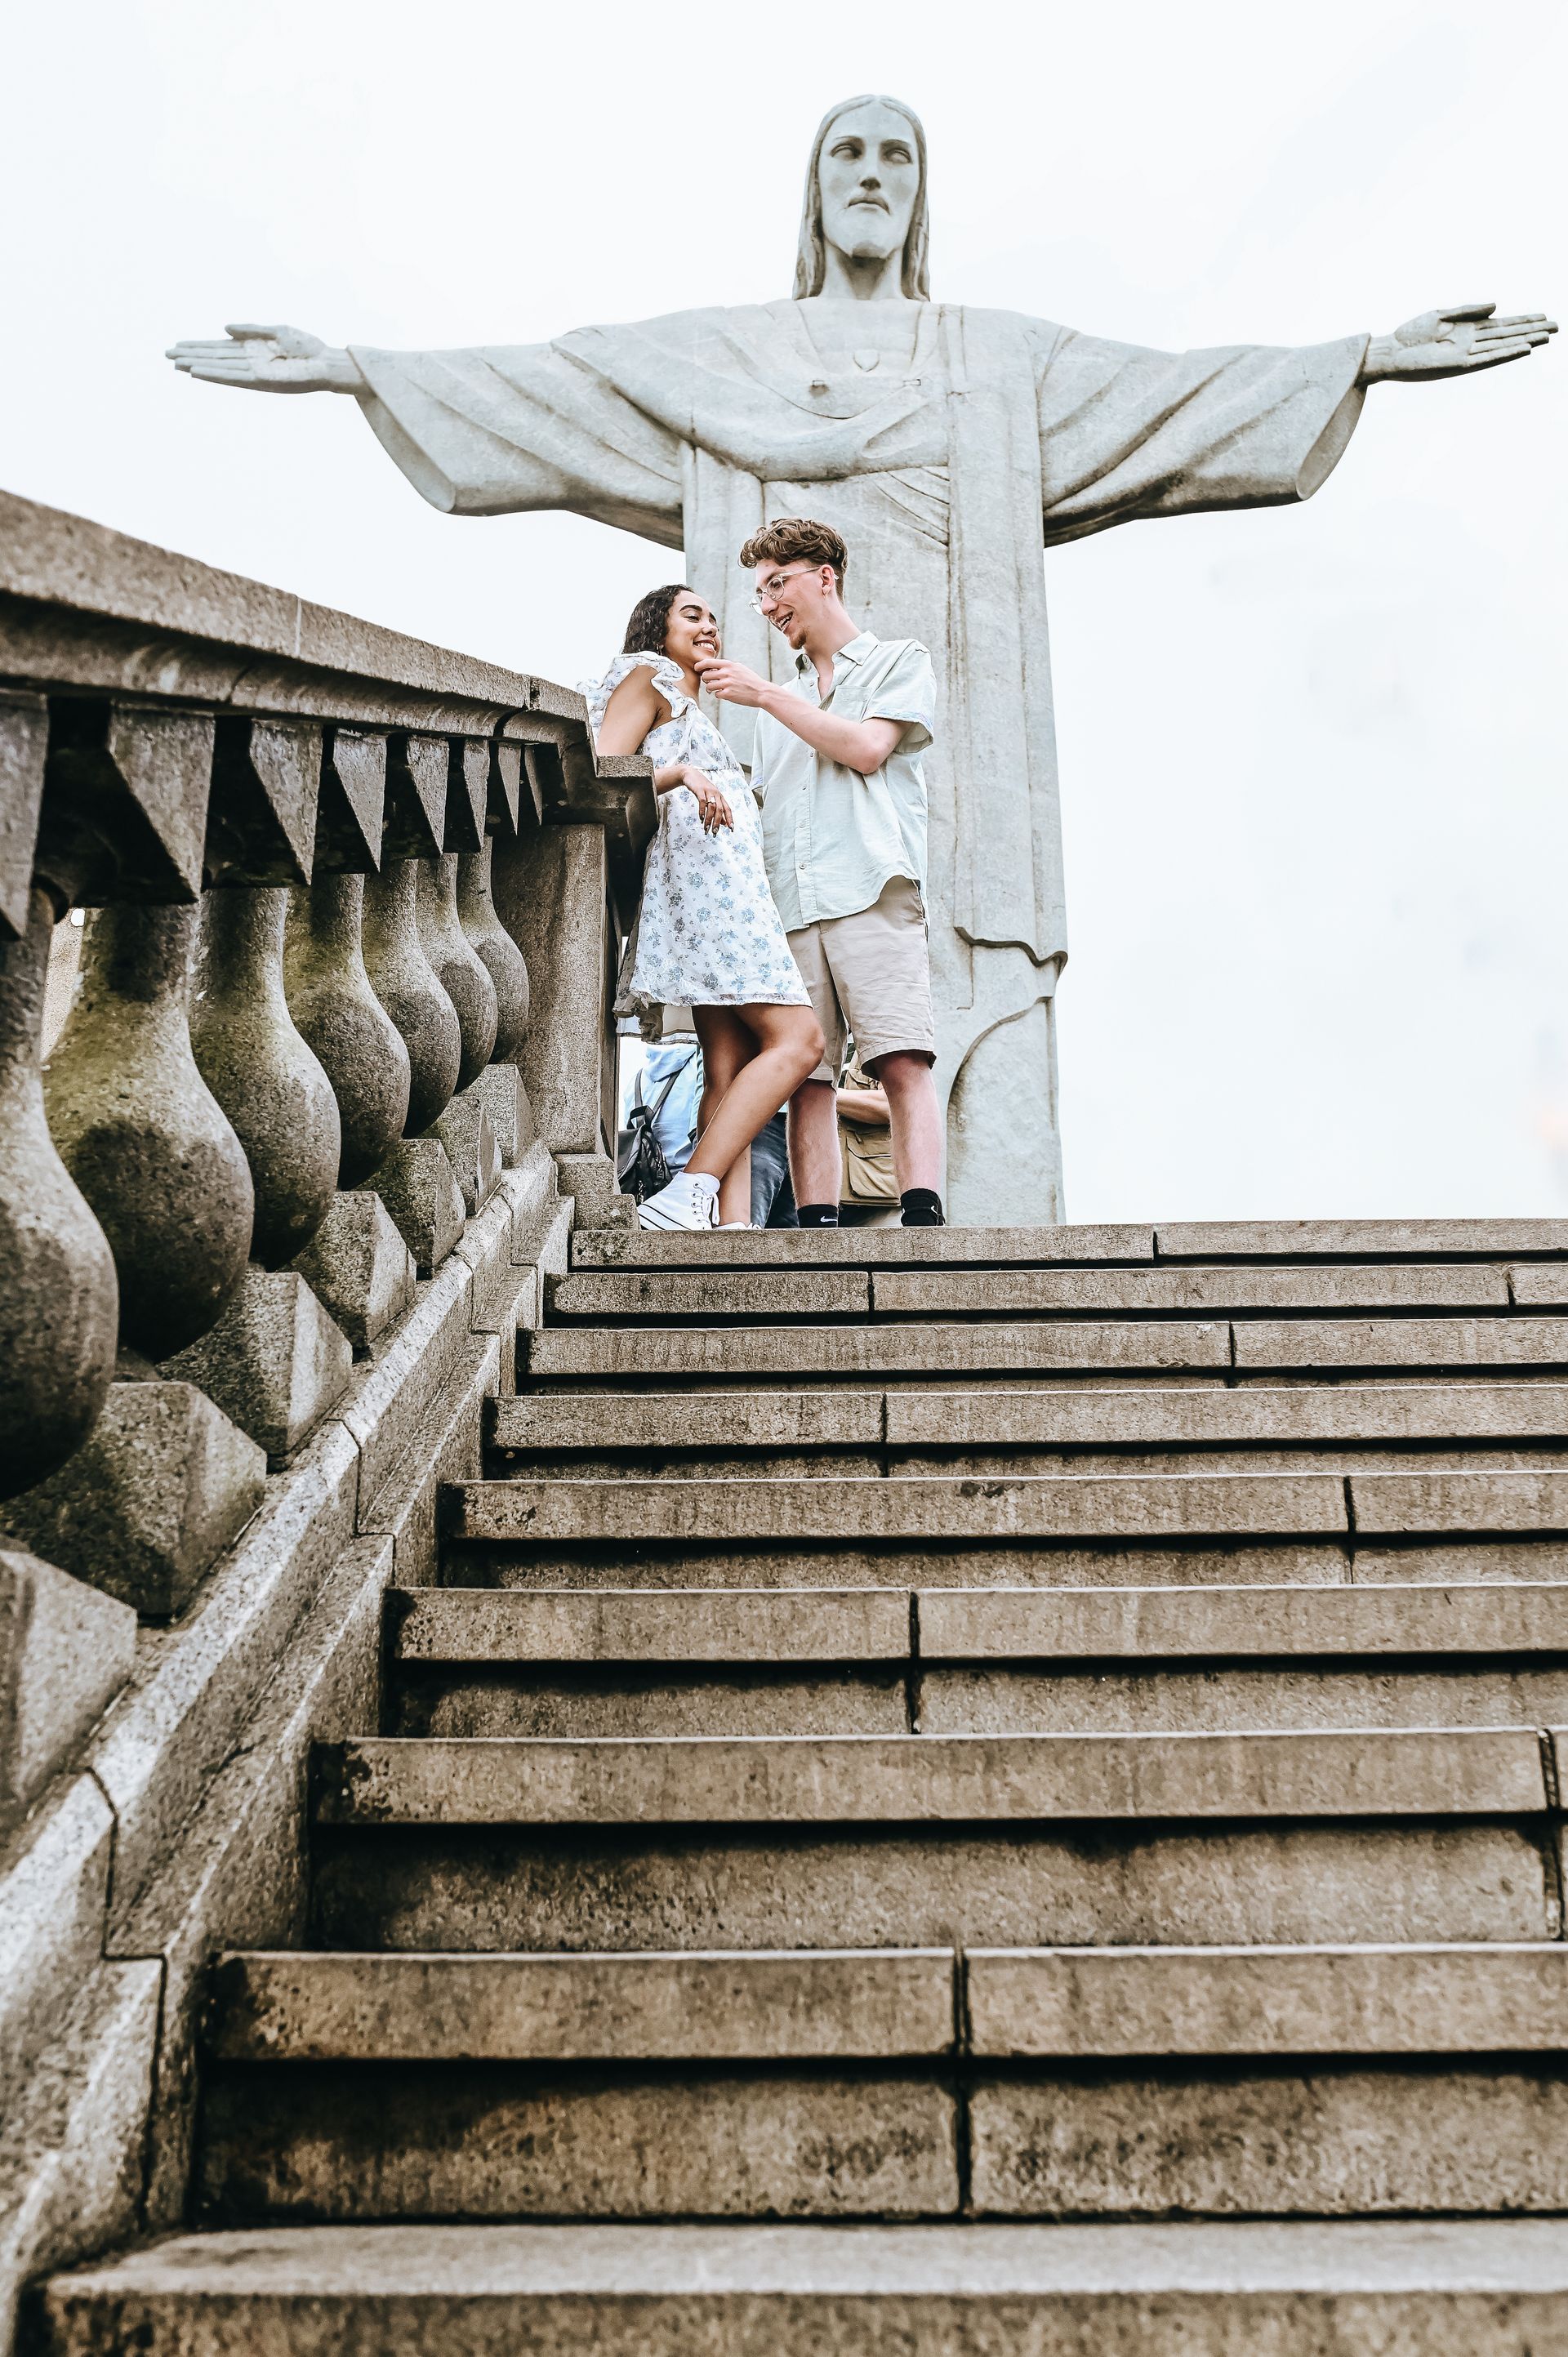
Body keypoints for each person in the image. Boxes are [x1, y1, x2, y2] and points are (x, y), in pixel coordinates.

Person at [697, 519, 946, 1228]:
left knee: (901, 1058)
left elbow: (866, 750)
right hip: (790, 904)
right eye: (759, 593)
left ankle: (924, 1224)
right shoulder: (774, 705)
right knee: (806, 1077)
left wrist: (768, 696)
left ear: (824, 577)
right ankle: (817, 1233)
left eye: (777, 584)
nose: (767, 605)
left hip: (871, 889)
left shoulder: (897, 661)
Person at [586, 584, 824, 1232]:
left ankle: (730, 1224)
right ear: (655, 628)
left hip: (722, 894)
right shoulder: (649, 676)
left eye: (715, 619)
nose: (709, 626)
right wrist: (685, 776)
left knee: (728, 1064)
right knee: (800, 1040)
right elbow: (603, 771)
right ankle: (690, 1188)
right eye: (692, 615)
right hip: (708, 896)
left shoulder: (690, 707)